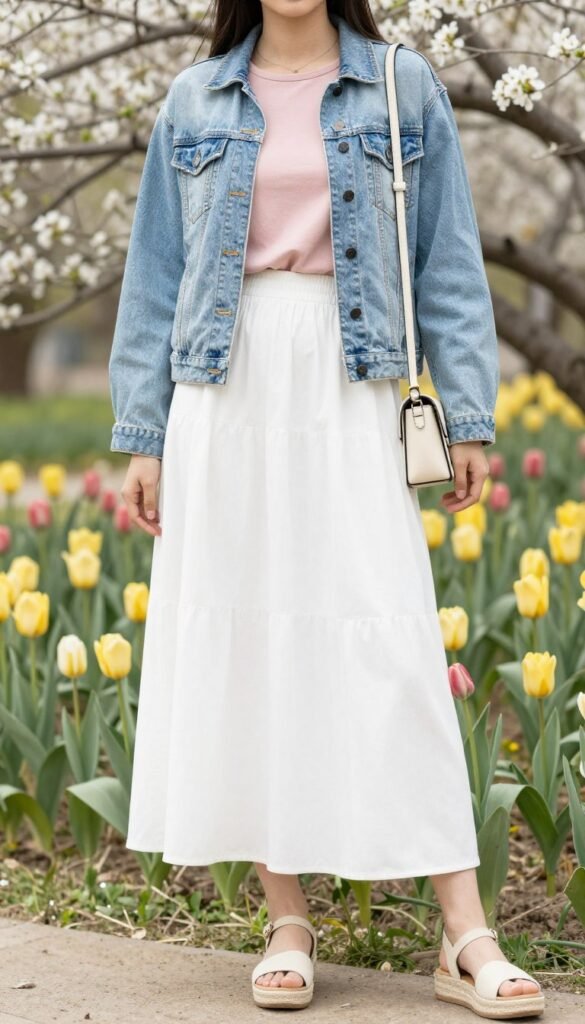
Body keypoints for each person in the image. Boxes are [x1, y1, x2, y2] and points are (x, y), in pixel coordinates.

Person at [108, 0, 544, 1017]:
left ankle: (465, 931)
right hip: (222, 391)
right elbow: (155, 277)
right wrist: (143, 433)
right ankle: (287, 919)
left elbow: (447, 258)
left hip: (351, 383)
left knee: (388, 634)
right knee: (250, 641)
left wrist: (468, 410)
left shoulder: (401, 85)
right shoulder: (194, 99)